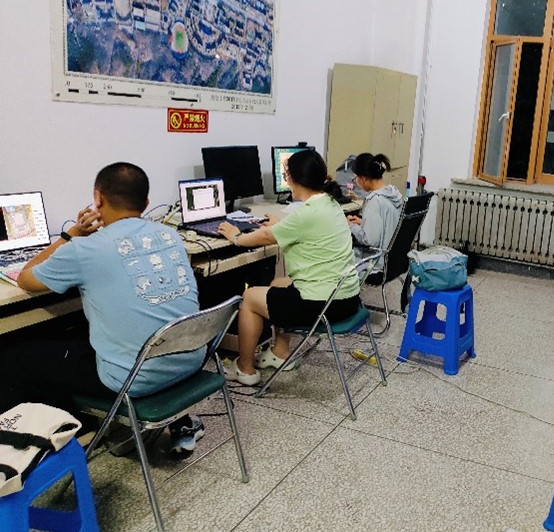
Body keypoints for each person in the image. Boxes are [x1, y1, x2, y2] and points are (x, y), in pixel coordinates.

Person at [8, 163, 205, 457]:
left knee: (14, 358)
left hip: (134, 379)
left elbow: (25, 278)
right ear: (146, 203)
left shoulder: (86, 249)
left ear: (97, 198)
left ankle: (53, 444)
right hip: (191, 360)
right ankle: (177, 421)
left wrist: (71, 234)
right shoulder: (170, 235)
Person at [218, 150, 360, 386]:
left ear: (293, 179)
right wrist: (280, 226)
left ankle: (245, 369)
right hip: (347, 298)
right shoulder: (330, 203)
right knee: (278, 283)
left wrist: (235, 237)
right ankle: (280, 352)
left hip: (322, 305)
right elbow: (298, 228)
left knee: (250, 298)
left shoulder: (307, 212)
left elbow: (266, 237)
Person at [347, 153, 403, 274]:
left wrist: (351, 226)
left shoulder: (374, 201)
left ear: (364, 178)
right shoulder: (393, 195)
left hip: (376, 264)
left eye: (355, 178)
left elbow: (369, 240)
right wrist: (363, 223)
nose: (356, 182)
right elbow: (388, 224)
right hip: (394, 261)